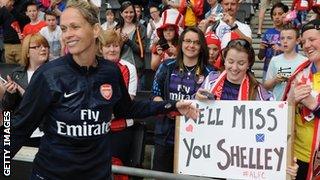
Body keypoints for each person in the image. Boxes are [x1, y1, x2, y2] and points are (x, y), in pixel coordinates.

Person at [0, 0, 199, 179]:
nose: (68, 34)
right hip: (53, 174)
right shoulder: (48, 74)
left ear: (95, 30)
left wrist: (171, 105)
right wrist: (4, 166)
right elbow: (17, 127)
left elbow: (126, 110)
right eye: (64, 28)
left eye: (75, 27)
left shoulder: (110, 72)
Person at [151, 27, 215, 172]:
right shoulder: (166, 66)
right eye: (187, 41)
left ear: (201, 46)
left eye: (196, 42)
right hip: (165, 133)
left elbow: (214, 101)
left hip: (197, 137)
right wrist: (170, 107)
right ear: (181, 43)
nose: (191, 46)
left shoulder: (211, 72)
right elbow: (154, 94)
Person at [283, 19, 320, 180]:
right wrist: (290, 102)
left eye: (312, 40)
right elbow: (284, 113)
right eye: (304, 42)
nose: (306, 46)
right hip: (298, 158)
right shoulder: (299, 73)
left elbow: (313, 105)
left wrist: (314, 105)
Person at [98, 29, 137, 179]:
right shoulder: (93, 67)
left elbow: (128, 100)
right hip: (97, 129)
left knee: (118, 171)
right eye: (108, 46)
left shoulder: (128, 67)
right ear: (101, 49)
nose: (112, 49)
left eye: (115, 45)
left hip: (120, 128)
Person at [2, 33, 49, 146]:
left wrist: (24, 93)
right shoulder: (17, 75)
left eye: (45, 46)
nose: (43, 49)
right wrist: (10, 93)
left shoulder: (55, 74)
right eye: (37, 46)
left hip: (47, 133)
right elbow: (7, 107)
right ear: (27, 52)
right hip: (23, 133)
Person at [196, 39, 272, 101]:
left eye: (241, 63)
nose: (235, 68)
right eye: (230, 62)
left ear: (249, 64)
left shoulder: (257, 90)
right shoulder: (211, 81)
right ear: (224, 60)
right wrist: (197, 99)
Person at [263, 25, 306, 100]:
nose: (285, 41)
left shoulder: (304, 61)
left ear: (297, 41)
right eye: (282, 38)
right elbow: (266, 86)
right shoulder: (274, 60)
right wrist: (275, 80)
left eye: (289, 38)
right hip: (279, 104)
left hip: (298, 105)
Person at [116, 1, 146, 85]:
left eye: (131, 12)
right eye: (126, 12)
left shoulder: (140, 28)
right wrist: (121, 42)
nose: (129, 15)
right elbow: (115, 51)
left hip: (136, 69)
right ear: (121, 14)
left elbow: (142, 51)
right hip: (120, 69)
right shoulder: (117, 29)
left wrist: (128, 41)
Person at [258, 2, 288, 82]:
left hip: (285, 70)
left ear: (285, 15)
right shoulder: (268, 33)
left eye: (280, 14)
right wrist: (262, 48)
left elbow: (294, 52)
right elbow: (260, 57)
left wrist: (281, 48)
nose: (277, 17)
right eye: (274, 14)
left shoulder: (289, 32)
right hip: (268, 70)